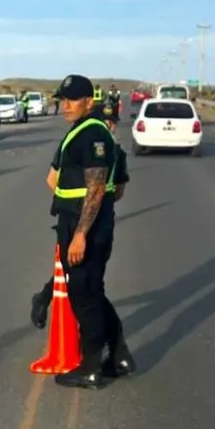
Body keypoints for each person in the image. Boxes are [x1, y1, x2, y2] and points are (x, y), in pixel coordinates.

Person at [41, 74, 133, 388]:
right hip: (80, 220)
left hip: (85, 226)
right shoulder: (81, 131)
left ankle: (91, 365)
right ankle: (119, 355)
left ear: (88, 102)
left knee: (83, 295)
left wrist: (81, 233)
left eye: (73, 100)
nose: (66, 105)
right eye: (63, 100)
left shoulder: (92, 135)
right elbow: (114, 190)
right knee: (93, 291)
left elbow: (96, 187)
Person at [31, 116, 129, 329]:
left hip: (86, 220)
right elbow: (118, 192)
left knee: (86, 283)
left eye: (112, 122)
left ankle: (108, 342)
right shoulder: (109, 148)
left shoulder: (95, 145)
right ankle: (108, 343)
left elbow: (52, 180)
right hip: (89, 221)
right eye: (107, 121)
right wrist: (85, 204)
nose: (109, 126)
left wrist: (81, 203)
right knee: (84, 282)